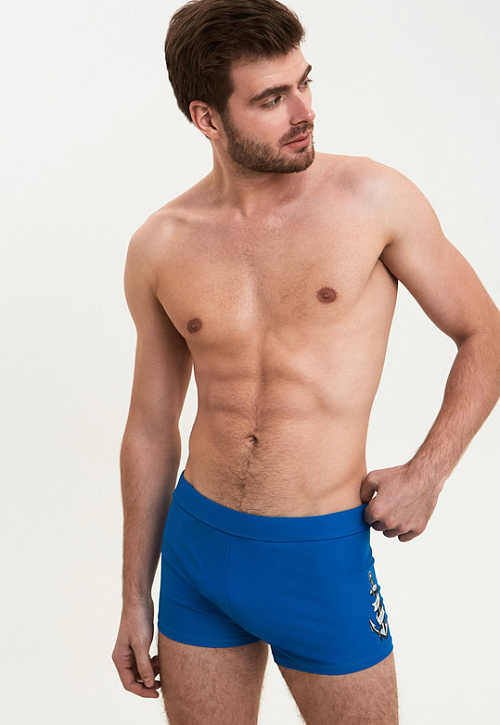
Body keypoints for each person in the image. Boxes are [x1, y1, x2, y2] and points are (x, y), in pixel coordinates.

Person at [111, 1, 500, 722]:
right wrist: (135, 594)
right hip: (198, 554)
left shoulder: (373, 200)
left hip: (319, 554)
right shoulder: (160, 244)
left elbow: (486, 333)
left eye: (304, 82)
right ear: (207, 118)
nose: (304, 111)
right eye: (271, 98)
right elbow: (150, 425)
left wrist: (428, 474)